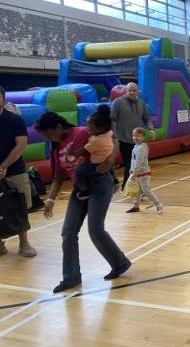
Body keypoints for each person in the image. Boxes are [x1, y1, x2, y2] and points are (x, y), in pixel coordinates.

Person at [35, 110, 131, 293]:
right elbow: (58, 176)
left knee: (95, 229)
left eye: (49, 134)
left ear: (58, 126)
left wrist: (110, 164)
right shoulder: (54, 146)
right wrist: (50, 200)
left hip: (100, 183)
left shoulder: (82, 133)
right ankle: (71, 278)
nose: (49, 139)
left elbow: (113, 140)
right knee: (68, 232)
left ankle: (119, 263)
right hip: (79, 188)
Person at [0, 86, 36, 257]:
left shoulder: (15, 120)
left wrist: (4, 166)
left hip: (14, 170)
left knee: (20, 205)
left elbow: (20, 145)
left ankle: (24, 243)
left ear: (3, 98)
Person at [111, 82, 156, 190]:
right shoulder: (118, 102)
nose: (131, 92)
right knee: (129, 164)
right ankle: (126, 188)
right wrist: (113, 135)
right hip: (123, 139)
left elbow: (147, 118)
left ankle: (136, 188)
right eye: (129, 90)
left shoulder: (141, 103)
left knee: (138, 165)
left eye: (134, 90)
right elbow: (111, 118)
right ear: (126, 91)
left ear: (137, 91)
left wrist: (151, 129)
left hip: (138, 141)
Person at [70, 106, 114, 200]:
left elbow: (82, 151)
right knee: (110, 167)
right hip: (107, 159)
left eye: (90, 126)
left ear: (101, 128)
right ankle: (115, 180)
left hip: (97, 164)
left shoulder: (96, 141)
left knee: (79, 172)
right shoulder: (108, 133)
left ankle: (84, 191)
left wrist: (72, 152)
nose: (87, 128)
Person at [126, 127, 164, 214]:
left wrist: (133, 173)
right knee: (137, 191)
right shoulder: (136, 146)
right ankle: (136, 206)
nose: (135, 137)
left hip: (143, 173)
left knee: (146, 190)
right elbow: (133, 160)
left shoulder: (141, 148)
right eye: (134, 135)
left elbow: (139, 162)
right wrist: (131, 170)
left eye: (138, 136)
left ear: (143, 137)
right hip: (136, 173)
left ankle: (159, 205)